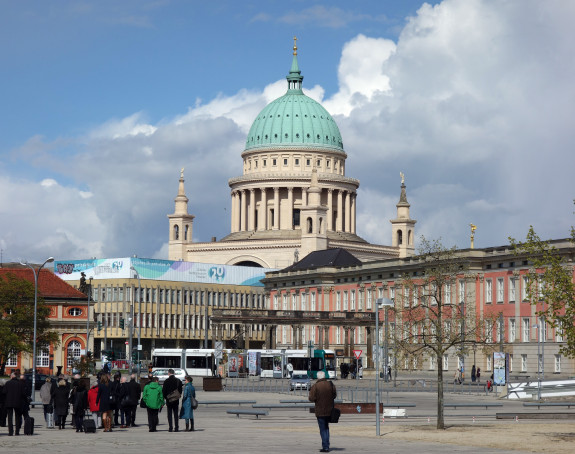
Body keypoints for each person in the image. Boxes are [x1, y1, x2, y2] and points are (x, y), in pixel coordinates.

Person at [308, 370, 337, 453]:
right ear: (324, 376)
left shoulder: (315, 386)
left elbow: (311, 398)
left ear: (318, 377)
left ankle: (325, 446)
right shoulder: (331, 385)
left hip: (320, 410)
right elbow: (334, 395)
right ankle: (327, 444)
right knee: (326, 428)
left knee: (323, 429)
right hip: (329, 410)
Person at [2, 371, 27, 436]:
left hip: (9, 402)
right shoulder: (20, 384)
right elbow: (23, 393)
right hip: (18, 402)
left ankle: (10, 432)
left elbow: (4, 392)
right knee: (18, 417)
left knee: (10, 417)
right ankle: (17, 432)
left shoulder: (8, 383)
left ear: (12, 376)